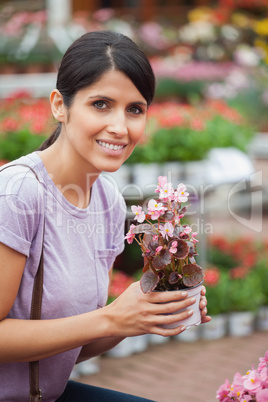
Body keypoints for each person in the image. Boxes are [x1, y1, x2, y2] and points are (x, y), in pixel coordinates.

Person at [0, 30, 211, 402]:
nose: (120, 126)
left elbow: (70, 347)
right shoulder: (18, 192)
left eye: (135, 109)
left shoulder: (108, 201)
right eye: (101, 104)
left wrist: (143, 315)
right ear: (59, 106)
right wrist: (112, 318)